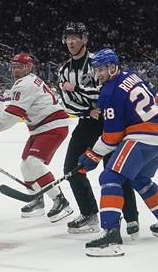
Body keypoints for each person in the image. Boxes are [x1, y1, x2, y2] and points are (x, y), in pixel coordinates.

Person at [76, 49, 158, 257]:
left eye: (102, 69)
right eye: (97, 70)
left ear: (113, 66)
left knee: (110, 176)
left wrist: (92, 155)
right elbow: (152, 97)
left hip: (144, 137)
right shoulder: (131, 75)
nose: (99, 74)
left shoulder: (109, 92)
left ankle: (111, 235)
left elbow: (113, 136)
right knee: (140, 178)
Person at [56, 23, 140, 237]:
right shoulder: (64, 70)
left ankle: (131, 218)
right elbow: (66, 103)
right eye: (68, 38)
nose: (71, 42)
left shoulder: (98, 62)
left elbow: (104, 91)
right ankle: (89, 212)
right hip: (87, 122)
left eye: (76, 37)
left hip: (109, 121)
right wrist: (89, 109)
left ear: (84, 39)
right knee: (71, 169)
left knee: (115, 170)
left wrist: (77, 90)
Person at [0, 52, 73, 222]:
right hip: (40, 127)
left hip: (52, 126)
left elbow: (14, 113)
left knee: (34, 164)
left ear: (28, 67)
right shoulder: (30, 80)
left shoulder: (25, 84)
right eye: (13, 66)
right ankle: (37, 199)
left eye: (19, 67)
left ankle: (61, 201)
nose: (15, 70)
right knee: (25, 166)